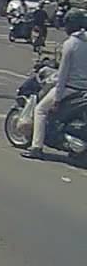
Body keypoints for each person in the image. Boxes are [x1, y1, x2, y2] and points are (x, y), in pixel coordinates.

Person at [23, 10, 87, 160]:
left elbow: (63, 74)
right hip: (84, 90)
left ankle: (36, 148)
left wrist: (57, 99)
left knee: (40, 110)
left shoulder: (70, 44)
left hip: (70, 89)